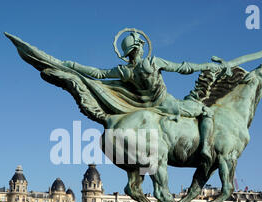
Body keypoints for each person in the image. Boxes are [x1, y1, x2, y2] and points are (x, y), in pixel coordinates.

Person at [63, 32, 224, 173]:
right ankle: (205, 148)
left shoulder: (125, 71)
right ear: (139, 47)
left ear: (127, 53)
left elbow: (98, 74)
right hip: (168, 104)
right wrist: (208, 66)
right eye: (140, 44)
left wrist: (74, 66)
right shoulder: (152, 62)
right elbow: (184, 68)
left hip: (147, 107)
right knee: (207, 112)